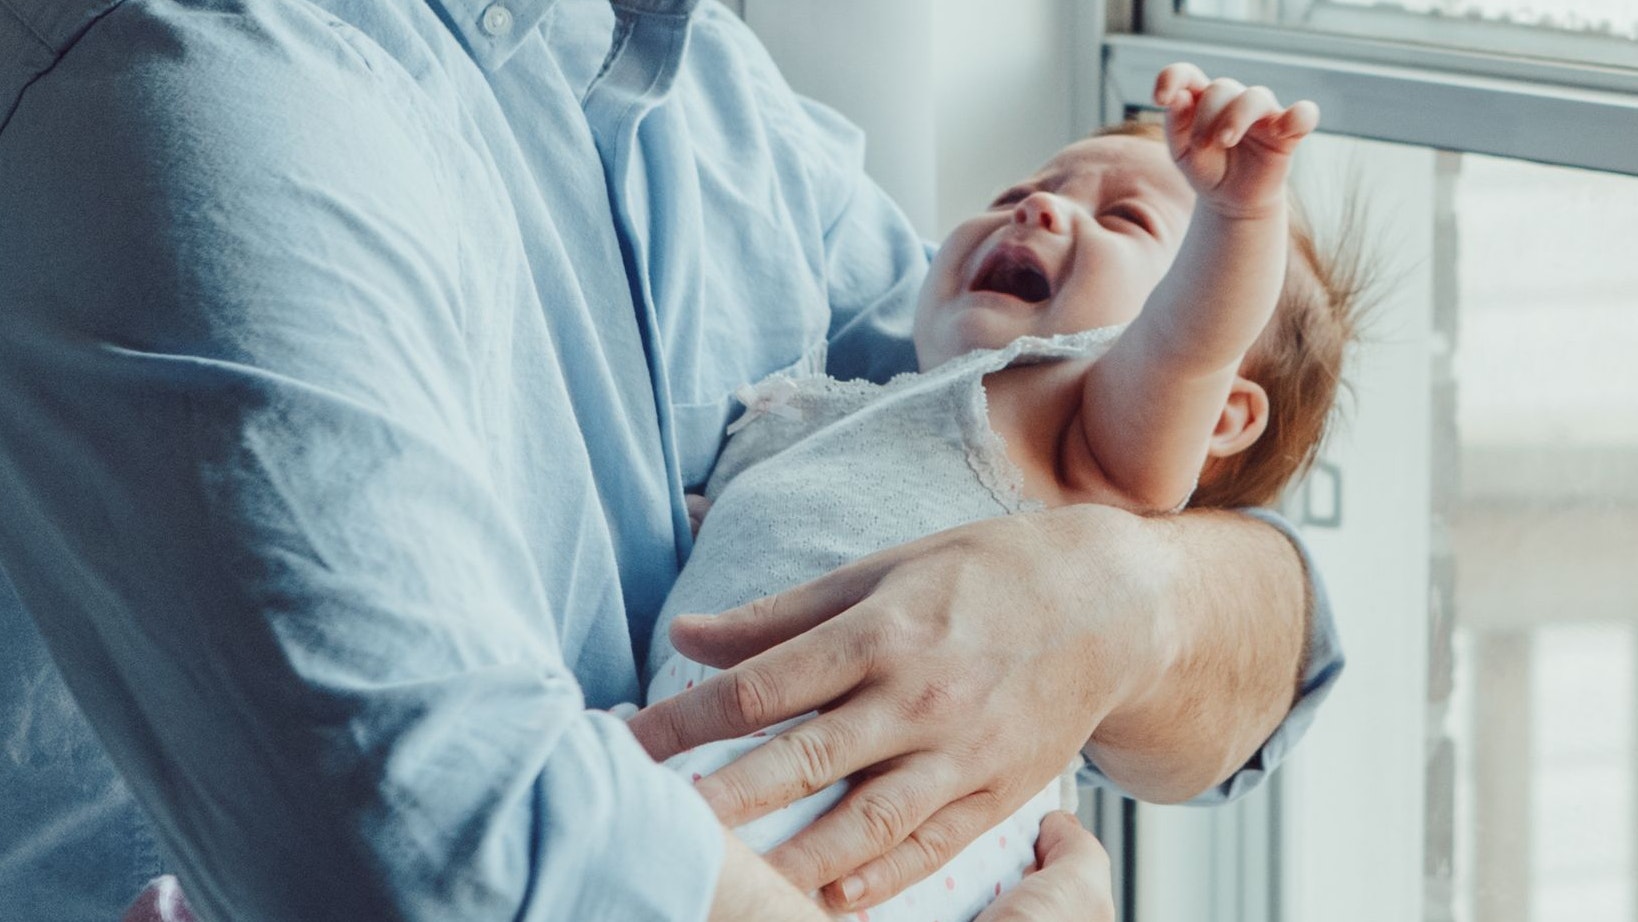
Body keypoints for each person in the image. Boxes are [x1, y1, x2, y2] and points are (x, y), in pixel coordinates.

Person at [0, 1, 1337, 920]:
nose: (1038, 211)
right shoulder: (205, 74)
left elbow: (1269, 654)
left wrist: (1127, 597)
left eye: (1117, 212)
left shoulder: (704, 97)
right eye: (1043, 186)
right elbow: (448, 846)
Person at [637, 67, 1364, 922]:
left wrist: (1239, 215)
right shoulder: (860, 408)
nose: (1037, 209)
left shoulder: (1082, 431)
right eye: (1023, 190)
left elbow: (1187, 346)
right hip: (742, 750)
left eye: (1126, 218)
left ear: (1218, 422)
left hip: (867, 793)